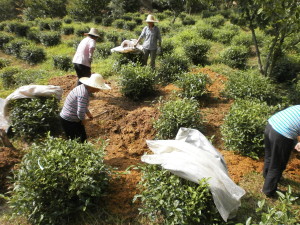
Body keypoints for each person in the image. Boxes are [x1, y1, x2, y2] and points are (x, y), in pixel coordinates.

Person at [60, 73, 111, 143]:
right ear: (93, 86)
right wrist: (83, 120)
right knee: (76, 141)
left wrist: (88, 114)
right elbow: (80, 111)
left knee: (83, 138)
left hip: (73, 119)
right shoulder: (83, 94)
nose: (99, 90)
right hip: (69, 120)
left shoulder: (83, 88)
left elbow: (82, 106)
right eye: (99, 88)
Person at [262, 105, 300, 197]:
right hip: (282, 133)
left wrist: (297, 142)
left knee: (270, 156)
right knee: (278, 165)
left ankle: (267, 176)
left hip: (271, 125)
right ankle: (268, 191)